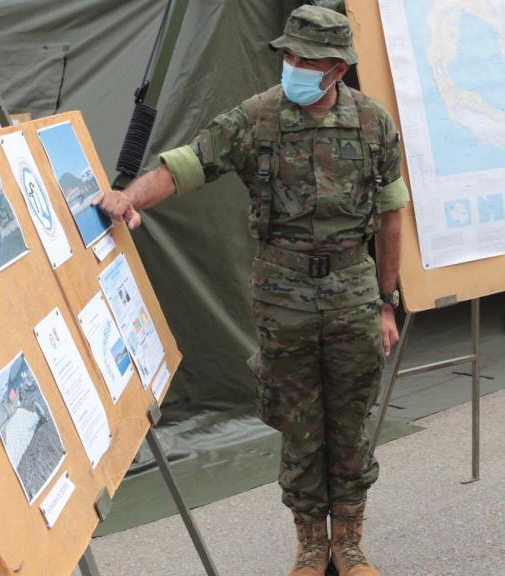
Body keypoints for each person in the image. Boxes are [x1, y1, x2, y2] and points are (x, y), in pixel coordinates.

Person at [93, 6, 408, 576]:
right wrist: (130, 198)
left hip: (352, 297)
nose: (291, 67)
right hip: (282, 301)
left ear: (336, 69)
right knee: (298, 420)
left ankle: (351, 542)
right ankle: (312, 545)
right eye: (286, 55)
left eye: (303, 59)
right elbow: (187, 164)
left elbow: (391, 218)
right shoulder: (258, 116)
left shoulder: (373, 123)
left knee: (351, 419)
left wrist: (387, 302)